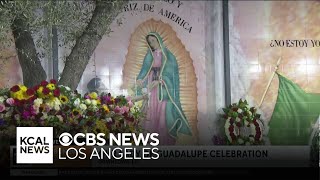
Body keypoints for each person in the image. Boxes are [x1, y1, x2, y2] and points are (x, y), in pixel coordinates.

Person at [136, 32, 192, 145]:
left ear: (158, 39)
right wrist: (140, 79)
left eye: (153, 40)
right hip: (151, 86)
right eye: (150, 42)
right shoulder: (149, 55)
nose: (152, 44)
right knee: (150, 110)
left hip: (163, 89)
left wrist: (161, 81)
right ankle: (150, 142)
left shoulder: (168, 55)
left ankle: (163, 142)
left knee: (163, 111)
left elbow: (172, 73)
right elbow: (144, 69)